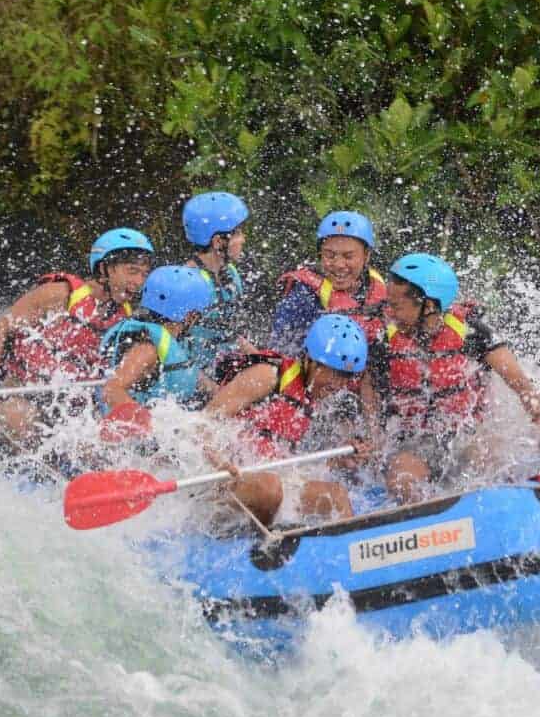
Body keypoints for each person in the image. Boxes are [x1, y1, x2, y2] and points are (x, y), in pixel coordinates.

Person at [371, 253, 540, 503]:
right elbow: (370, 396)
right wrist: (372, 437)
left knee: (492, 453)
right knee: (402, 481)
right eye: (388, 305)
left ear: (429, 305)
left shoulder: (471, 333)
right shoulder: (384, 342)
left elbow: (521, 384)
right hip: (414, 441)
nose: (390, 313)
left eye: (397, 306)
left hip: (468, 435)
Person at [0, 228, 154, 447]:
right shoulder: (61, 294)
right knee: (19, 417)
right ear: (104, 268)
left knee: (92, 443)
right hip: (21, 393)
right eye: (132, 271)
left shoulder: (125, 314)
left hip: (71, 404)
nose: (139, 281)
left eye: (144, 274)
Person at [202, 314, 372, 527]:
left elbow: (288, 458)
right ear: (311, 360)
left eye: (345, 377)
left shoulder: (312, 393)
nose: (338, 384)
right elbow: (203, 423)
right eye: (334, 374)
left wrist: (338, 459)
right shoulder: (268, 375)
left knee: (336, 496)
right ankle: (265, 545)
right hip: (225, 482)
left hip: (269, 484)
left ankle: (352, 550)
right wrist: (220, 463)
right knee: (270, 488)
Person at [96, 265, 214, 444]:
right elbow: (112, 390)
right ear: (189, 316)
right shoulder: (147, 349)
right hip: (138, 447)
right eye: (198, 316)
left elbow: (195, 377)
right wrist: (156, 430)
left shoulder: (168, 340)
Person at [270, 211, 388, 353]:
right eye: (330, 255)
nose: (339, 264)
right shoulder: (303, 295)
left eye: (348, 256)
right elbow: (281, 347)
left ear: (366, 256)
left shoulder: (379, 289)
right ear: (320, 255)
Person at [181, 191, 252, 373]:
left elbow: (232, 334)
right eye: (237, 233)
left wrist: (261, 358)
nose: (243, 239)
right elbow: (175, 351)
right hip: (194, 378)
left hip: (223, 367)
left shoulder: (230, 273)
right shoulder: (187, 282)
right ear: (218, 242)